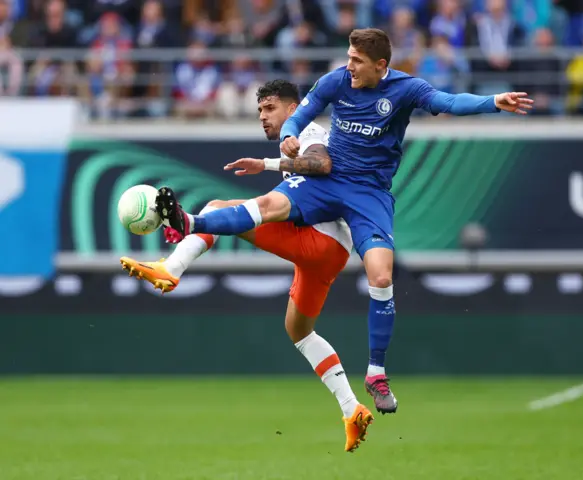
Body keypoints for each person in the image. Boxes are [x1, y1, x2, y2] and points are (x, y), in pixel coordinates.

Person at [155, 28, 534, 415]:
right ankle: (189, 222)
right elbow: (300, 114)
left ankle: (375, 373)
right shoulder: (336, 81)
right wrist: (287, 136)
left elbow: (449, 100)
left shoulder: (406, 89)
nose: (349, 66)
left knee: (382, 276)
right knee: (268, 203)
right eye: (348, 57)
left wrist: (492, 101)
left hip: (368, 195)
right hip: (327, 185)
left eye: (357, 61)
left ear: (380, 66)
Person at [120, 80, 373, 453]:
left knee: (220, 208)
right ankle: (352, 409)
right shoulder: (299, 138)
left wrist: (275, 163)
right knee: (299, 330)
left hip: (320, 241)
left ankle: (172, 268)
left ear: (293, 108)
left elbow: (322, 162)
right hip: (328, 250)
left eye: (270, 108)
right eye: (259, 111)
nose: (263, 117)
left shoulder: (308, 130)